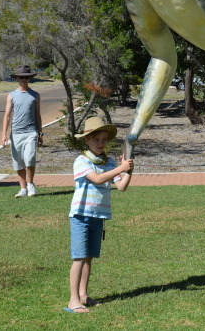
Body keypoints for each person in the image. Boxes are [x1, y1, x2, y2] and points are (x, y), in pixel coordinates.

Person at [65, 116, 133, 313]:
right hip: (81, 216)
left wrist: (128, 170)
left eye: (104, 140)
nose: (101, 143)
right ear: (87, 140)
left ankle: (83, 295)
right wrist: (121, 168)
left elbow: (121, 186)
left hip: (98, 217)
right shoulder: (81, 161)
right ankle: (73, 300)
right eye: (97, 139)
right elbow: (96, 179)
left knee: (89, 258)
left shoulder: (109, 162)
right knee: (79, 257)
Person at [0, 65, 42, 197]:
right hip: (16, 133)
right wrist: (4, 134)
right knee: (18, 162)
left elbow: (37, 115)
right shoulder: (11, 95)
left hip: (31, 132)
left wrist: (40, 133)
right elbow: (7, 115)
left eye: (26, 77)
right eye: (21, 77)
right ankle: (23, 189)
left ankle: (30, 185)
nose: (23, 79)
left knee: (30, 158)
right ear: (17, 78)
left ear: (29, 78)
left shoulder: (35, 95)